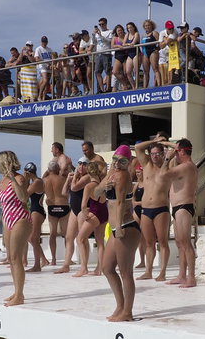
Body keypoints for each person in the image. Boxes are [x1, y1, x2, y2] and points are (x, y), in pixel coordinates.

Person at [102, 146, 141, 321]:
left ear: (128, 162)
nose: (118, 164)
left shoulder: (122, 175)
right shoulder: (111, 174)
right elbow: (97, 195)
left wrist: (117, 228)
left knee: (126, 272)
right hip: (117, 227)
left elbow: (119, 204)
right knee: (107, 268)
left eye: (122, 161)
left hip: (125, 226)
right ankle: (120, 306)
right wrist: (104, 185)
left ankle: (128, 312)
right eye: (115, 160)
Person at [0, 151, 31, 306]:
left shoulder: (19, 178)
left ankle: (20, 295)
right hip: (7, 219)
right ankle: (16, 291)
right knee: (10, 258)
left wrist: (13, 180)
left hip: (20, 218)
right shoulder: (2, 180)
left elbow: (23, 198)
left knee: (16, 257)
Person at [134, 136, 172, 281]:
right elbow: (138, 148)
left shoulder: (167, 166)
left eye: (157, 153)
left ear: (163, 154)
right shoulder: (147, 165)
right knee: (148, 243)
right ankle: (148, 271)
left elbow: (178, 147)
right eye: (153, 153)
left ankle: (162, 272)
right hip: (146, 209)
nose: (155, 156)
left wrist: (164, 143)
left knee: (162, 242)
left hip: (161, 208)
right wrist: (154, 141)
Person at [163, 138, 198, 287]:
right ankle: (182, 275)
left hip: (184, 206)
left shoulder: (186, 167)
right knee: (179, 243)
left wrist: (167, 158)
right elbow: (182, 147)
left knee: (185, 242)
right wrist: (168, 144)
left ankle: (191, 277)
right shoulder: (184, 165)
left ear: (182, 152)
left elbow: (164, 175)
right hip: (177, 207)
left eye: (177, 151)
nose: (174, 154)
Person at [74, 160, 108, 277]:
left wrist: (85, 214)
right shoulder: (101, 184)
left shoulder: (89, 186)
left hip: (95, 213)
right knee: (100, 242)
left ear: (89, 172)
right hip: (104, 212)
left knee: (80, 239)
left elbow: (83, 205)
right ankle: (99, 268)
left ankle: (84, 268)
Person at [23, 162, 48, 272]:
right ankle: (43, 260)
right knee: (32, 238)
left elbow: (25, 195)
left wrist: (25, 180)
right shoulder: (36, 181)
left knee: (33, 238)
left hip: (37, 211)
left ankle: (38, 264)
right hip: (36, 210)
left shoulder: (37, 182)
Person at [43, 160, 69, 265]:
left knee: (52, 234)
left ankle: (53, 259)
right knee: (66, 234)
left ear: (49, 170)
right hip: (63, 206)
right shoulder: (63, 179)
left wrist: (48, 171)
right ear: (57, 169)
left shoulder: (44, 180)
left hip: (52, 207)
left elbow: (42, 178)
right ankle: (68, 259)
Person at [92, 17, 113, 92]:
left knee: (107, 71)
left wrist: (101, 36)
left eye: (102, 24)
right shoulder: (97, 33)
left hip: (106, 53)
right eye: (100, 24)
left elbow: (110, 41)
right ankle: (101, 89)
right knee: (97, 72)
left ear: (106, 24)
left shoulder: (110, 31)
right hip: (98, 54)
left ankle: (108, 88)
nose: (101, 26)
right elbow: (94, 43)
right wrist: (93, 35)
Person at [110, 24, 131, 91]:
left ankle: (128, 85)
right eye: (118, 31)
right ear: (116, 32)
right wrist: (118, 46)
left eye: (121, 30)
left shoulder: (126, 36)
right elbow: (112, 46)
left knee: (126, 72)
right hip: (118, 56)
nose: (120, 32)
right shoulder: (115, 38)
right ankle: (124, 84)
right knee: (115, 71)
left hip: (126, 55)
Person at [140, 20, 160, 88]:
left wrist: (157, 49)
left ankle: (159, 85)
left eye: (148, 25)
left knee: (155, 68)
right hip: (145, 53)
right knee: (146, 71)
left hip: (153, 52)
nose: (147, 27)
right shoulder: (143, 35)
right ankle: (145, 87)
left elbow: (160, 43)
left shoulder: (154, 33)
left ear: (152, 26)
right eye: (146, 26)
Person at [157, 21, 178, 86]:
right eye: (169, 29)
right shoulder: (162, 32)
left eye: (172, 28)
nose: (171, 30)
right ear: (166, 28)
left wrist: (165, 39)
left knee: (170, 70)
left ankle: (170, 84)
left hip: (172, 52)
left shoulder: (175, 32)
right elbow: (161, 46)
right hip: (163, 54)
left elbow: (166, 42)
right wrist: (166, 40)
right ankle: (163, 86)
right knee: (162, 71)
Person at [35, 36, 53, 100]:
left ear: (47, 42)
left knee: (47, 83)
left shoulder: (50, 49)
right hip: (42, 66)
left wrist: (51, 65)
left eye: (45, 42)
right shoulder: (38, 49)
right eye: (43, 42)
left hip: (49, 67)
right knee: (45, 80)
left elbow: (52, 58)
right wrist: (46, 64)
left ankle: (43, 97)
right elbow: (37, 59)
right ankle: (39, 95)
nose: (44, 43)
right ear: (41, 42)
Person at [124, 22, 141, 89]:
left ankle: (137, 86)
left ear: (134, 27)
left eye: (130, 27)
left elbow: (133, 43)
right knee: (128, 72)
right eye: (128, 28)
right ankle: (133, 86)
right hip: (130, 54)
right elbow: (124, 44)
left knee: (136, 71)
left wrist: (128, 44)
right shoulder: (127, 35)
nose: (129, 29)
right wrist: (128, 44)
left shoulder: (136, 34)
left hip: (136, 53)